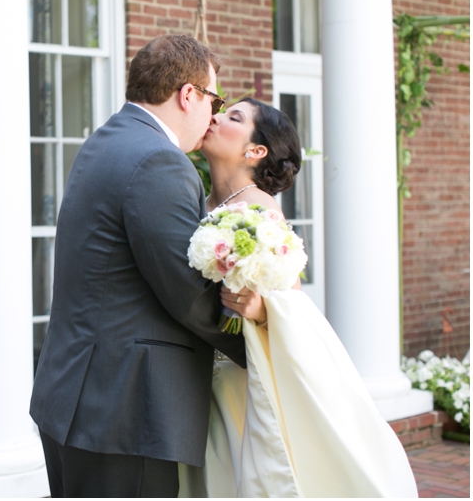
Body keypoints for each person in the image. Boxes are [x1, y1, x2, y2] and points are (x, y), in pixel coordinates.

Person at [29, 34, 265, 498]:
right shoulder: (160, 160)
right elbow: (189, 296)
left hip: (75, 397)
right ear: (188, 94)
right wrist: (259, 349)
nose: (214, 115)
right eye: (213, 100)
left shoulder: (106, 140)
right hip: (122, 412)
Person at [179, 98, 418, 497]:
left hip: (242, 379)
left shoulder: (259, 209)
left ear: (256, 151)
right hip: (205, 378)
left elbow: (292, 298)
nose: (215, 116)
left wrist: (260, 311)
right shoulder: (202, 204)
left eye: (234, 117)